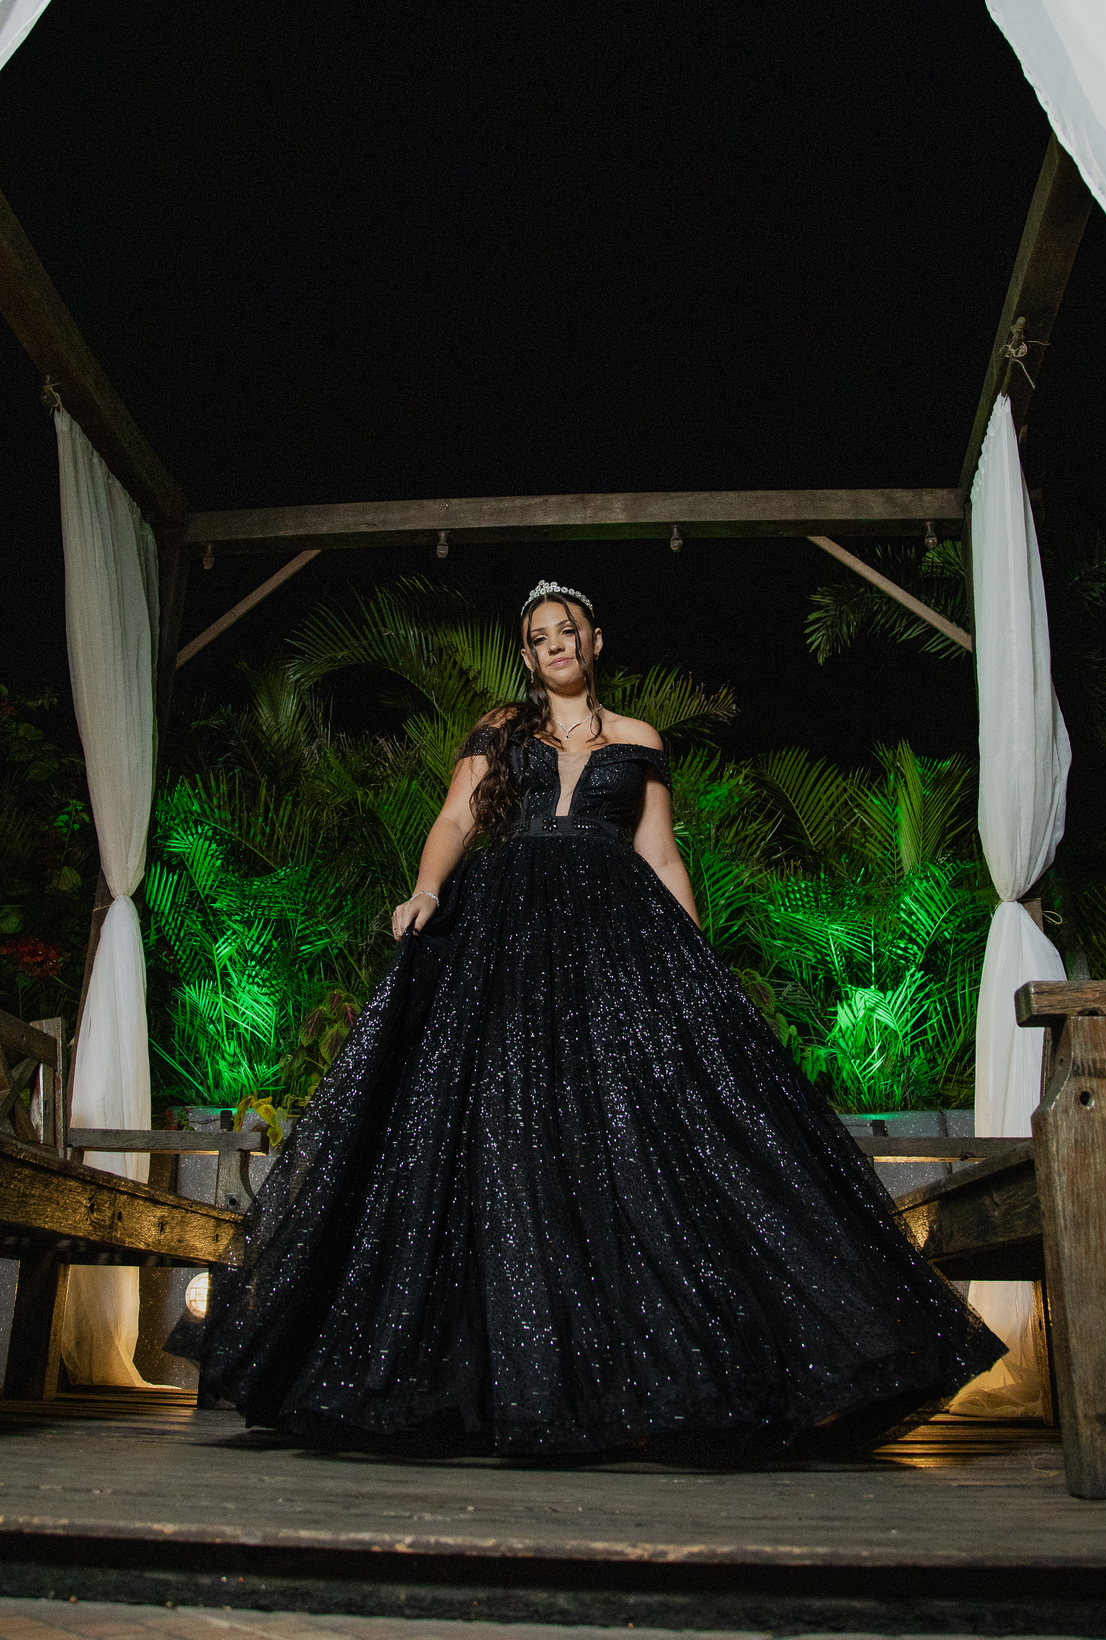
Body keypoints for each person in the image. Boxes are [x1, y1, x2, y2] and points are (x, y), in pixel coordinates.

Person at [197, 578, 1002, 1458]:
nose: (556, 644)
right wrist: (425, 890)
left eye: (568, 630)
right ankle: (491, 1382)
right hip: (506, 935)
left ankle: (663, 1382)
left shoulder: (639, 739)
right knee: (497, 1123)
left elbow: (660, 854)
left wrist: (695, 960)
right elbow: (455, 818)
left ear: (596, 640)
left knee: (634, 1125)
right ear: (528, 653)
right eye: (541, 636)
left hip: (616, 935)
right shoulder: (502, 730)